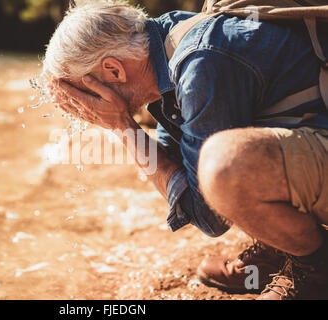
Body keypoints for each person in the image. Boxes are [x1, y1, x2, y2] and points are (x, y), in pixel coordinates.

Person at [43, 0, 328, 299]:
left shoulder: (201, 61)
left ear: (114, 70)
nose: (85, 108)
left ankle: (314, 266)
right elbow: (180, 175)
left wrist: (121, 126)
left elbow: (210, 215)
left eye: (83, 94)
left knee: (224, 165)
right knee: (212, 152)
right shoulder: (169, 46)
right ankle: (280, 247)